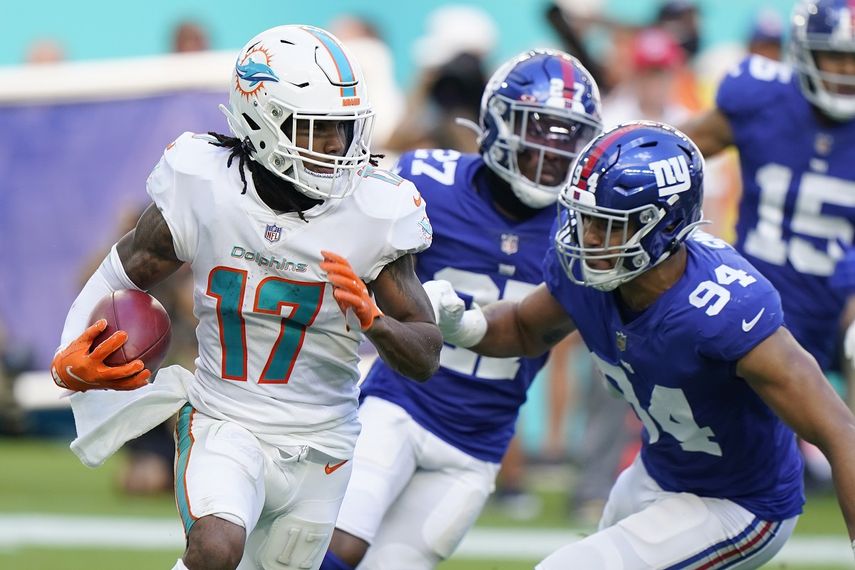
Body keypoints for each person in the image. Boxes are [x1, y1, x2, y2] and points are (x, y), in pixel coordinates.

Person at [49, 25, 441, 570]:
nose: (336, 144)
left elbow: (426, 352)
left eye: (343, 127)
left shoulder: (375, 211)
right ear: (263, 122)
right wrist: (68, 357)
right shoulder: (204, 184)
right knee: (215, 549)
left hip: (323, 442)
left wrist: (377, 322)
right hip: (224, 419)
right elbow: (122, 273)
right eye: (317, 127)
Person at [429, 121, 855, 569]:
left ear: (665, 226)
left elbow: (838, 430)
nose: (589, 237)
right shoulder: (589, 271)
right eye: (585, 217)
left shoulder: (723, 310)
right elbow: (523, 327)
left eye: (608, 224)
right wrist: (464, 324)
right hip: (658, 471)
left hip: (740, 502)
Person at [321, 49, 603, 570]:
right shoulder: (429, 182)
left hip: (477, 444)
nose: (550, 150)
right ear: (497, 123)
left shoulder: (584, 230)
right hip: (399, 403)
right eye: (538, 130)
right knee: (335, 547)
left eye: (568, 137)